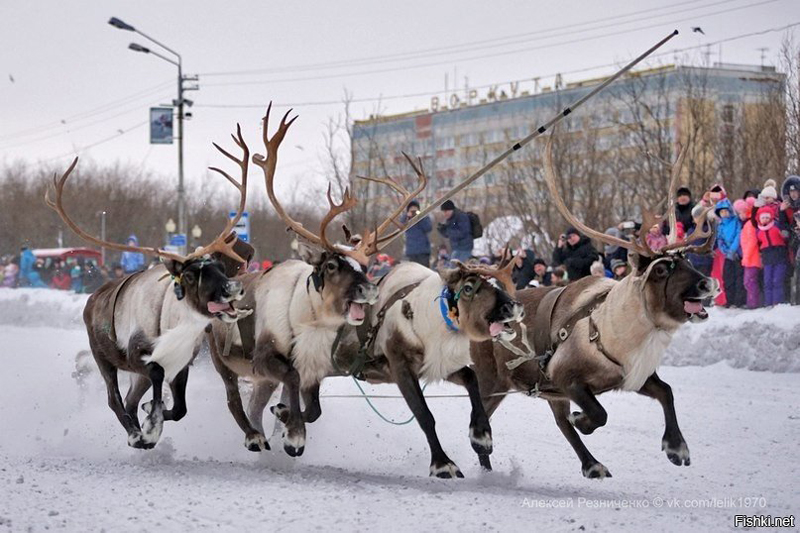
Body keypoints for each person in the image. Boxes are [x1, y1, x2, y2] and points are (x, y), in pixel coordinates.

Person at [756, 206, 788, 306]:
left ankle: (777, 302)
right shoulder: (759, 231)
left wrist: (785, 235)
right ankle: (768, 303)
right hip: (767, 256)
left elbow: (785, 237)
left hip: (779, 255)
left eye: (767, 217)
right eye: (763, 217)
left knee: (777, 280)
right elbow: (758, 243)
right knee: (767, 281)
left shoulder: (777, 226)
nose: (765, 220)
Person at [716, 198, 744, 308]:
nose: (724, 213)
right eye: (721, 212)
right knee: (728, 278)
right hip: (727, 255)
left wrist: (733, 250)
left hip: (737, 253)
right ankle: (729, 300)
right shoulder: (721, 225)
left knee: (738, 277)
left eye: (725, 211)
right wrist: (725, 250)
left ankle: (739, 301)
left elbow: (738, 235)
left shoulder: (736, 221)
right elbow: (719, 239)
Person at [736, 198, 762, 309]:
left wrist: (745, 257)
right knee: (749, 282)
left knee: (750, 282)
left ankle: (753, 303)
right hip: (749, 258)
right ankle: (751, 302)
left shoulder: (750, 224)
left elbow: (752, 241)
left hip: (752, 258)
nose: (740, 214)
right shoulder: (748, 223)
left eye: (741, 212)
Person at [400, 200, 432, 267]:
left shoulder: (424, 217)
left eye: (415, 210)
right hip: (411, 251)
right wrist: (407, 216)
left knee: (425, 271)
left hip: (423, 251)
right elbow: (401, 227)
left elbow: (428, 228)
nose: (414, 212)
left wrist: (420, 217)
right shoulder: (405, 218)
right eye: (412, 210)